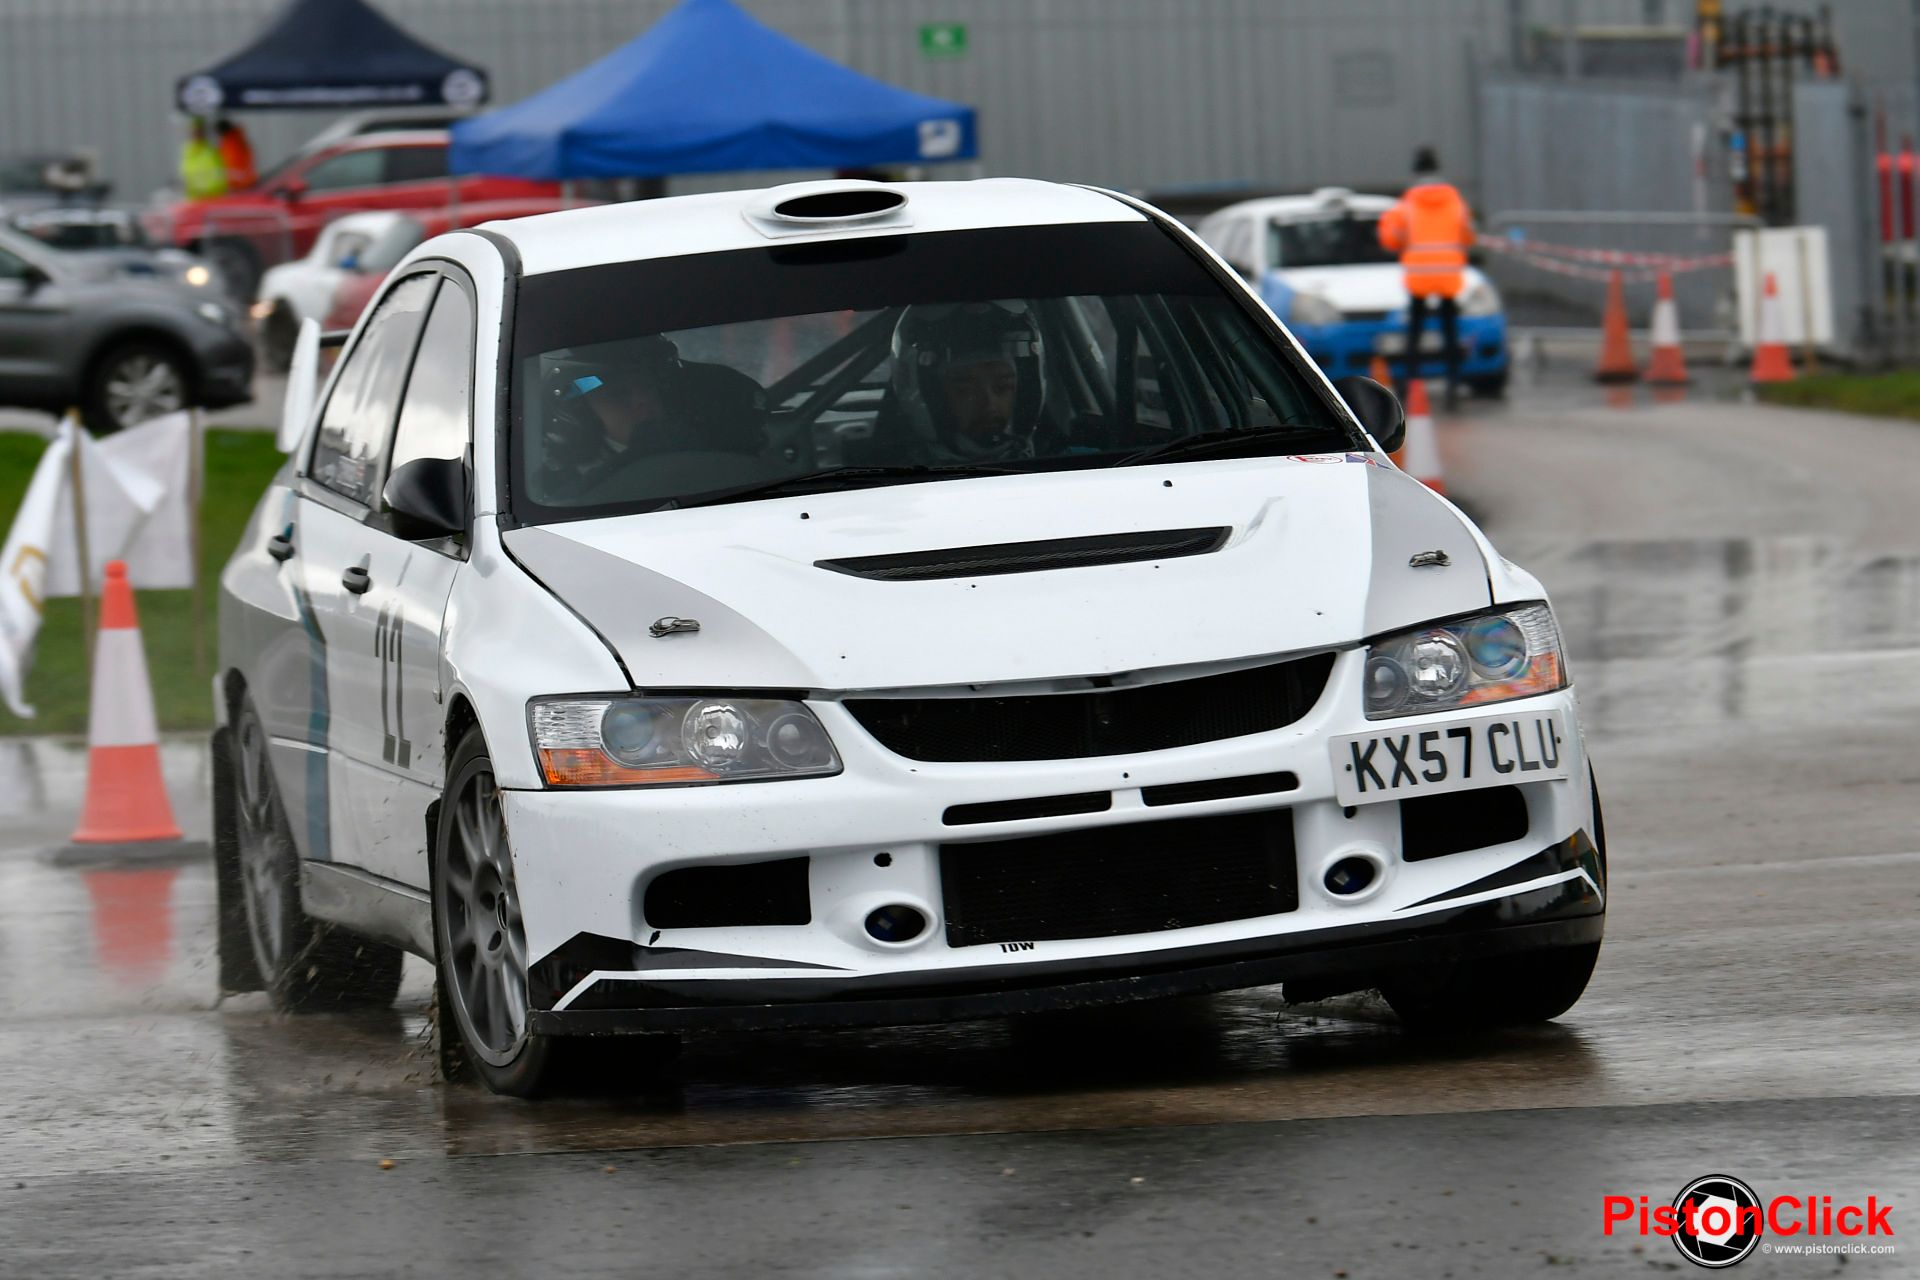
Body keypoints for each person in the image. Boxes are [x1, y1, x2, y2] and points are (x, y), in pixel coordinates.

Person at [542, 336, 766, 494]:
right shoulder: (561, 486)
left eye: (649, 387)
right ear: (582, 416)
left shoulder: (717, 448)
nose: (643, 400)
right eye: (618, 394)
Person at [1378, 146, 1475, 409]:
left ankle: (1411, 385)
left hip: (1418, 277)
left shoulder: (1408, 203)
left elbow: (1391, 237)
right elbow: (1468, 234)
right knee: (1450, 332)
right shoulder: (1455, 201)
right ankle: (1453, 386)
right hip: (1448, 276)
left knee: (1415, 334)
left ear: (1416, 171)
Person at [889, 301, 1046, 463]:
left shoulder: (1051, 453)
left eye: (1002, 387)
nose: (989, 405)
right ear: (933, 397)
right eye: (965, 391)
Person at [178, 118, 227, 200]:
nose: (196, 134)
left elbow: (219, 176)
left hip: (214, 197)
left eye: (198, 131)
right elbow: (185, 177)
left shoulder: (211, 151)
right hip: (195, 199)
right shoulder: (187, 153)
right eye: (193, 131)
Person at [216, 119, 257, 190]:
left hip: (242, 184)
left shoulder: (231, 142)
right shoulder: (235, 140)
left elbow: (232, 163)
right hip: (243, 182)